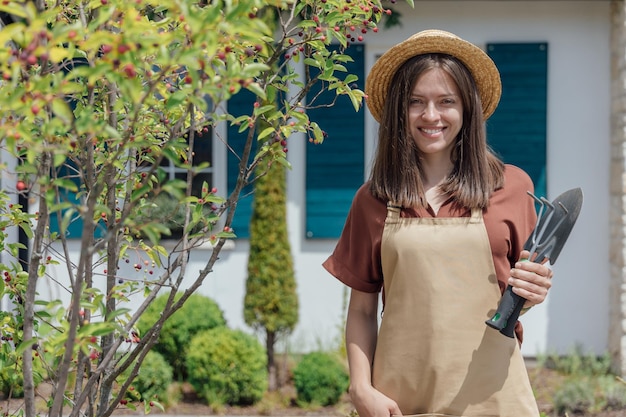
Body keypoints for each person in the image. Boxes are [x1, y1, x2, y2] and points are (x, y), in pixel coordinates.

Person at [322, 29, 554, 417]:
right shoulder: (374, 199)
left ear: (467, 108)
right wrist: (361, 388)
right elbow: (362, 310)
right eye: (416, 102)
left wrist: (534, 290)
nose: (431, 116)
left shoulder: (513, 187)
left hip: (493, 398)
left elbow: (517, 297)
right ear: (400, 110)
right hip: (399, 400)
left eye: (446, 101)